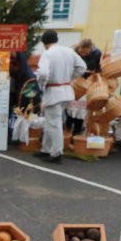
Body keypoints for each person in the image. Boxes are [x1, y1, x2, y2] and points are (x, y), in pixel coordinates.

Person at [35, 30, 87, 164]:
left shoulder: (47, 54)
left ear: (45, 43)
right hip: (66, 90)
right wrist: (70, 77)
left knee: (54, 123)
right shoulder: (69, 51)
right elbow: (82, 67)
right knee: (51, 120)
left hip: (53, 91)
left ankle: (56, 152)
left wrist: (42, 85)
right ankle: (46, 149)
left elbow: (43, 73)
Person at [66, 38, 102, 135]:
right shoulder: (73, 51)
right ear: (79, 48)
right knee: (70, 105)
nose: (83, 55)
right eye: (81, 53)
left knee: (81, 108)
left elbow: (99, 68)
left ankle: (77, 130)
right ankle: (68, 127)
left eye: (86, 53)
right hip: (74, 81)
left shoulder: (97, 53)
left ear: (90, 49)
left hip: (87, 83)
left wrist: (95, 72)